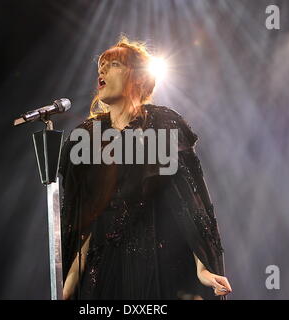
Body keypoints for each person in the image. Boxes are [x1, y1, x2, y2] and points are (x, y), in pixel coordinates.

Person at [58, 36, 232, 300]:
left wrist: (204, 268)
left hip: (158, 265)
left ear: (137, 78)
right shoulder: (87, 136)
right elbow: (83, 222)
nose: (101, 70)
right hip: (103, 271)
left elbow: (192, 201)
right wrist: (67, 285)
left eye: (113, 64)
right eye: (100, 67)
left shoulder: (162, 124)